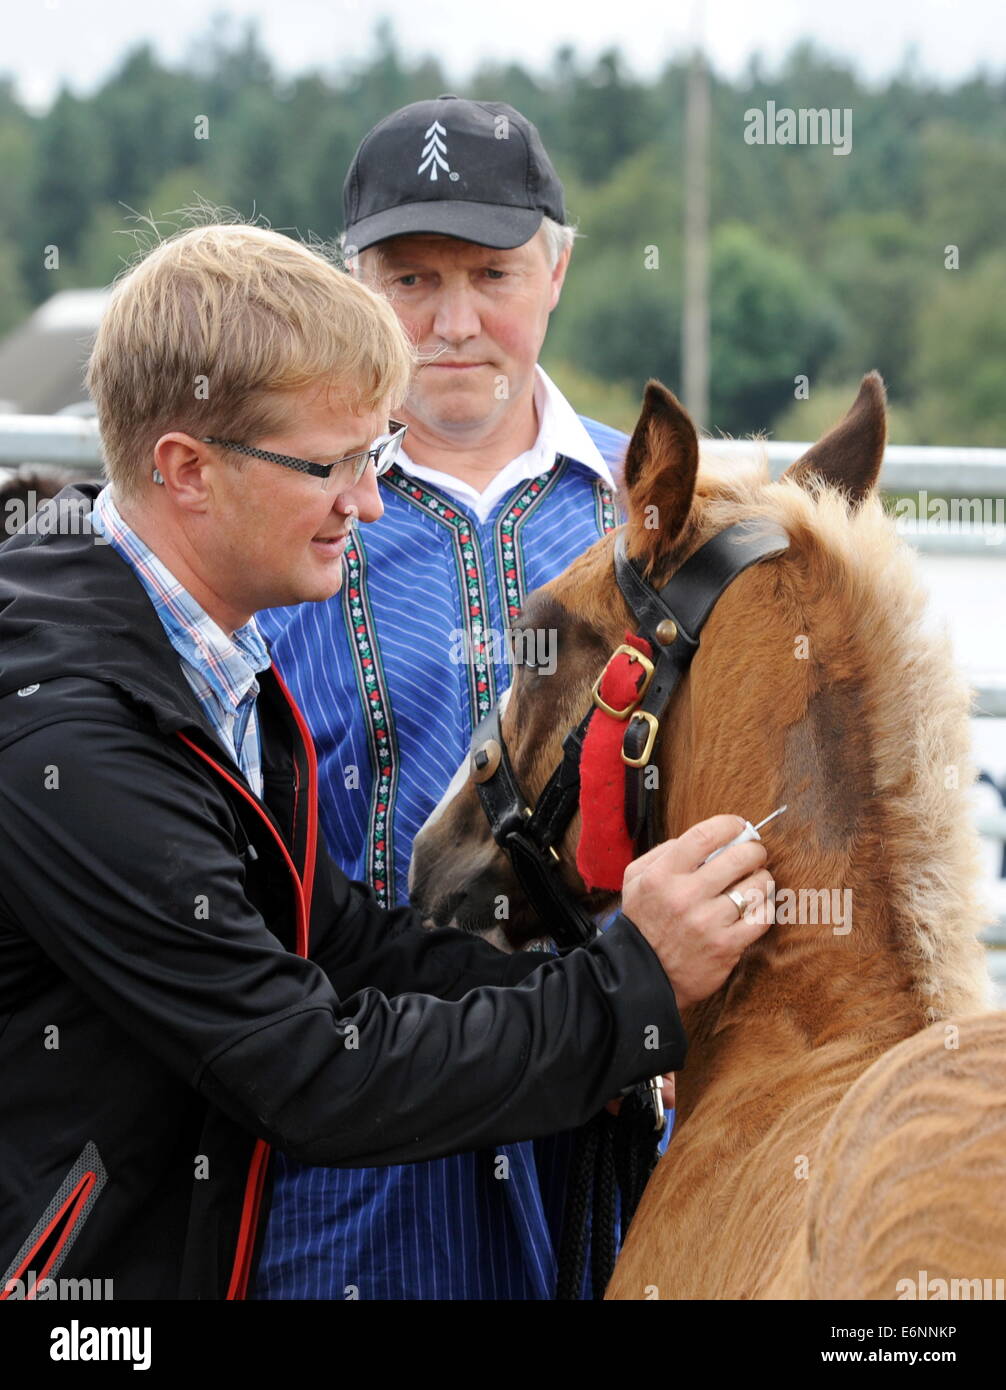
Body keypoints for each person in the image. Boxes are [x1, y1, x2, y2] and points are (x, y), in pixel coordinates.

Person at [0, 221, 772, 1301]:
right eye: (334, 465)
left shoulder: (204, 658)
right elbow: (306, 1066)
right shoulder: (72, 738)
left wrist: (587, 990)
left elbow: (335, 937)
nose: (367, 502)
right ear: (187, 470)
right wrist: (623, 994)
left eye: (372, 456)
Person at [251, 97, 688, 1300]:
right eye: (409, 278)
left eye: (491, 272)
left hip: (607, 1135)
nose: (453, 323)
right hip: (356, 1146)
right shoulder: (275, 522)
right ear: (351, 285)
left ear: (557, 267)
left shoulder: (654, 509)